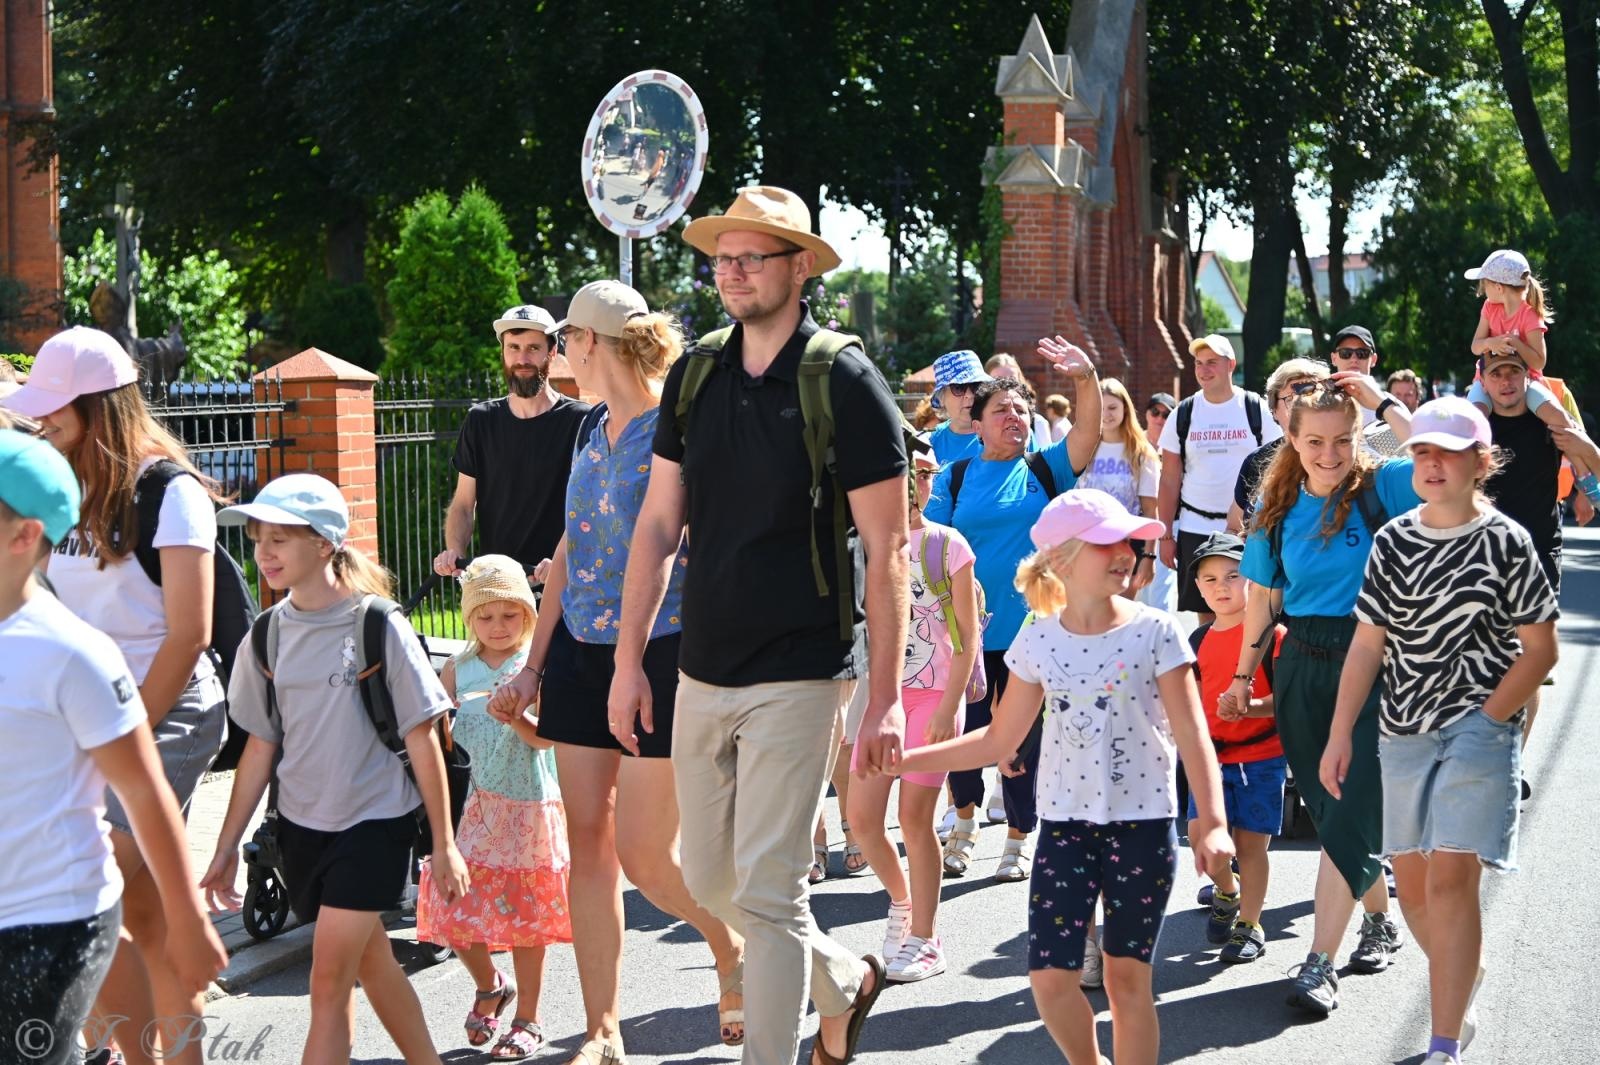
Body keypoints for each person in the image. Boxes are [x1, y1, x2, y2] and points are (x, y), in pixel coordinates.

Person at [607, 185, 906, 1065]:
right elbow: (659, 524)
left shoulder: (843, 379)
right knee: (710, 877)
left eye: (753, 256)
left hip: (803, 667)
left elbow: (887, 546)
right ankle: (843, 978)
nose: (732, 272)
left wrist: (883, 698)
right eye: (722, 258)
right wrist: (631, 662)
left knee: (770, 894)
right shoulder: (696, 374)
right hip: (703, 665)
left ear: (799, 266)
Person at [491, 280, 745, 1065]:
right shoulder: (587, 429)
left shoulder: (680, 425)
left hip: (664, 648)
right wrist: (533, 666)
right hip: (578, 651)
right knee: (590, 839)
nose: (556, 349)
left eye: (563, 336)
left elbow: (689, 538)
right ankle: (604, 1029)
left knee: (643, 853)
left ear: (590, 343)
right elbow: (568, 548)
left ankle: (730, 941)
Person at [891, 489, 1233, 1065]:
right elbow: (999, 738)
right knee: (1051, 981)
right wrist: (905, 761)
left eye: (1129, 541)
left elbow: (1193, 734)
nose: (1126, 552)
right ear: (1063, 559)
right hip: (1065, 831)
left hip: (1143, 829)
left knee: (1127, 984)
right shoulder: (1038, 638)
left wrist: (1212, 822)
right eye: (1110, 543)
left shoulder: (1157, 631)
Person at [3, 326, 226, 1065]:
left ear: (98, 406)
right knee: (146, 921)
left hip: (171, 707)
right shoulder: (56, 477)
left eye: (55, 408)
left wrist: (114, 733)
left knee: (95, 888)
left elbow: (189, 634)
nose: (42, 421)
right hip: (91, 705)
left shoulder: (170, 490)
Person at [1322, 396, 1558, 1065]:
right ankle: (1464, 969)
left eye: (1447, 451)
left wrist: (1488, 718)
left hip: (1479, 732)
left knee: (1453, 879)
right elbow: (1368, 646)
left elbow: (1540, 650)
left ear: (1482, 463)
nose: (1430, 462)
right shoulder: (1394, 539)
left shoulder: (1506, 541)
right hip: (1401, 730)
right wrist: (1342, 733)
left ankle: (1445, 1041)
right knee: (1415, 886)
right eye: (1421, 450)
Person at [200, 474, 468, 1063]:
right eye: (256, 539)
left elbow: (423, 737)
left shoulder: (377, 625)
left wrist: (444, 845)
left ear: (324, 543)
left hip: (374, 825)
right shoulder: (265, 637)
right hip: (300, 831)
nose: (262, 553)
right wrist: (223, 849)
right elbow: (258, 750)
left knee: (326, 982)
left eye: (279, 539)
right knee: (371, 962)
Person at [1225, 374, 1414, 1016]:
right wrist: (1243, 676)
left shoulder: (1379, 486)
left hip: (1374, 664)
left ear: (1357, 437)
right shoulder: (1275, 509)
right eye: (1314, 442)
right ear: (1293, 439)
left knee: (1349, 801)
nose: (1328, 454)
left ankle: (1318, 963)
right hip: (1300, 666)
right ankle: (1380, 919)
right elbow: (1262, 601)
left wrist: (1381, 402)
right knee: (1335, 814)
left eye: (1341, 440)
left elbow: (1441, 457)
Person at [923, 345, 1102, 883]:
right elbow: (932, 548)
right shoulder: (953, 478)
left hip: (1034, 628)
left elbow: (1088, 436)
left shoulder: (1044, 470)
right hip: (967, 631)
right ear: (976, 423)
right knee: (965, 730)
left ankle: (1020, 838)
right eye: (1000, 410)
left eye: (1021, 411)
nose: (1014, 418)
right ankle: (964, 822)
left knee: (1021, 735)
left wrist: (1086, 378)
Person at [418, 556, 570, 1060]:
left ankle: (528, 1016)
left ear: (528, 615)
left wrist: (516, 718)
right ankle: (490, 985)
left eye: (510, 615)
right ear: (468, 618)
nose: (498, 627)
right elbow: (438, 739)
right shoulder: (455, 670)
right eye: (486, 616)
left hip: (531, 809)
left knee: (526, 919)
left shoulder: (532, 668)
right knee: (452, 908)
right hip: (480, 810)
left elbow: (547, 740)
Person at [846, 439, 979, 984]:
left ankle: (926, 937)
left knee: (914, 819)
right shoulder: (863, 543)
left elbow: (968, 639)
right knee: (861, 819)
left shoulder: (947, 545)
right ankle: (902, 904)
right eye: (911, 474)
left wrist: (950, 706)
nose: (919, 485)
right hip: (880, 697)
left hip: (933, 698)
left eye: (926, 475)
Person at [1477, 351, 1586, 797]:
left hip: (1539, 558)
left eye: (1514, 373)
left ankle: (1512, 762)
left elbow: (1590, 459)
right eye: (1497, 373)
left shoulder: (1550, 423)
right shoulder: (1476, 429)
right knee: (1484, 664)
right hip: (1480, 561)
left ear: (1527, 376)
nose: (1506, 382)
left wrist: (1585, 483)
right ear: (1484, 378)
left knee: (1529, 665)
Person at [1186, 532, 1287, 964]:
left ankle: (1250, 923)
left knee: (1251, 848)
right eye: (1209, 579)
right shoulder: (1196, 640)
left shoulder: (1273, 635)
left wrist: (1249, 709)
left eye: (1233, 575)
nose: (1221, 587)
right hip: (1211, 760)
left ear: (1254, 581)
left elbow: (1287, 701)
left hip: (1262, 759)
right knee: (1200, 840)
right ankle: (1226, 891)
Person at [435, 304, 593, 575]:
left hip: (562, 586)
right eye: (514, 347)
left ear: (552, 353)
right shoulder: (480, 420)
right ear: (503, 353)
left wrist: (567, 560)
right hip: (497, 585)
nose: (522, 359)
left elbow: (595, 508)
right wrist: (455, 552)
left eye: (533, 348)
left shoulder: (582, 421)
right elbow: (463, 504)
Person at [1461, 249, 1600, 508]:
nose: (1481, 289)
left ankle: (1583, 477)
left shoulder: (1529, 316)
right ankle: (1469, 481)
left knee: (1561, 419)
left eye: (1485, 283)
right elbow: (1475, 346)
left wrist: (1514, 342)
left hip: (1528, 382)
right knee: (1473, 419)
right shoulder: (1490, 307)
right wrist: (1493, 341)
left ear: (1500, 287)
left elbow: (1538, 362)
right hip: (1485, 380)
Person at [1156, 334, 1280, 620]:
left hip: (1246, 528)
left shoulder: (1255, 408)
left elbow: (1276, 465)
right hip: (1195, 525)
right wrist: (1165, 534)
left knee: (1252, 608)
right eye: (1198, 363)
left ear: (1230, 365)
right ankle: (1209, 664)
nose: (1204, 370)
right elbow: (1169, 477)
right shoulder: (1184, 412)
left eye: (1212, 362)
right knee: (1206, 612)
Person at [1073, 376, 1159, 595]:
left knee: (1122, 616)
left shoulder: (1141, 452)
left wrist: (1149, 557)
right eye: (1101, 407)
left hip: (1128, 545)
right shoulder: (1082, 447)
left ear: (1125, 409)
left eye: (1112, 407)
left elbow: (1150, 510)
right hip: (1088, 544)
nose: (1106, 414)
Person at [1228, 358, 1331, 532]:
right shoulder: (1257, 461)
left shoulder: (1340, 455)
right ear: (1274, 410)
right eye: (1291, 399)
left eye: (1311, 395)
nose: (1302, 406)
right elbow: (1233, 527)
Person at [1138, 393, 1178, 612]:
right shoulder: (1134, 443)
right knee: (1140, 589)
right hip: (1138, 521)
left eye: (1166, 414)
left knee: (1161, 587)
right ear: (1146, 414)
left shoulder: (1175, 448)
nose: (1160, 419)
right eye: (1155, 412)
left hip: (1167, 523)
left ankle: (1162, 639)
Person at [926, 349, 993, 464]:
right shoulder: (929, 442)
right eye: (958, 388)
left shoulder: (1007, 431)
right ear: (942, 398)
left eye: (975, 386)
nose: (969, 395)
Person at [987, 352, 1054, 443]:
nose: (1006, 386)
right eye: (998, 380)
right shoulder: (975, 423)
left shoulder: (1037, 424)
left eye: (1012, 380)